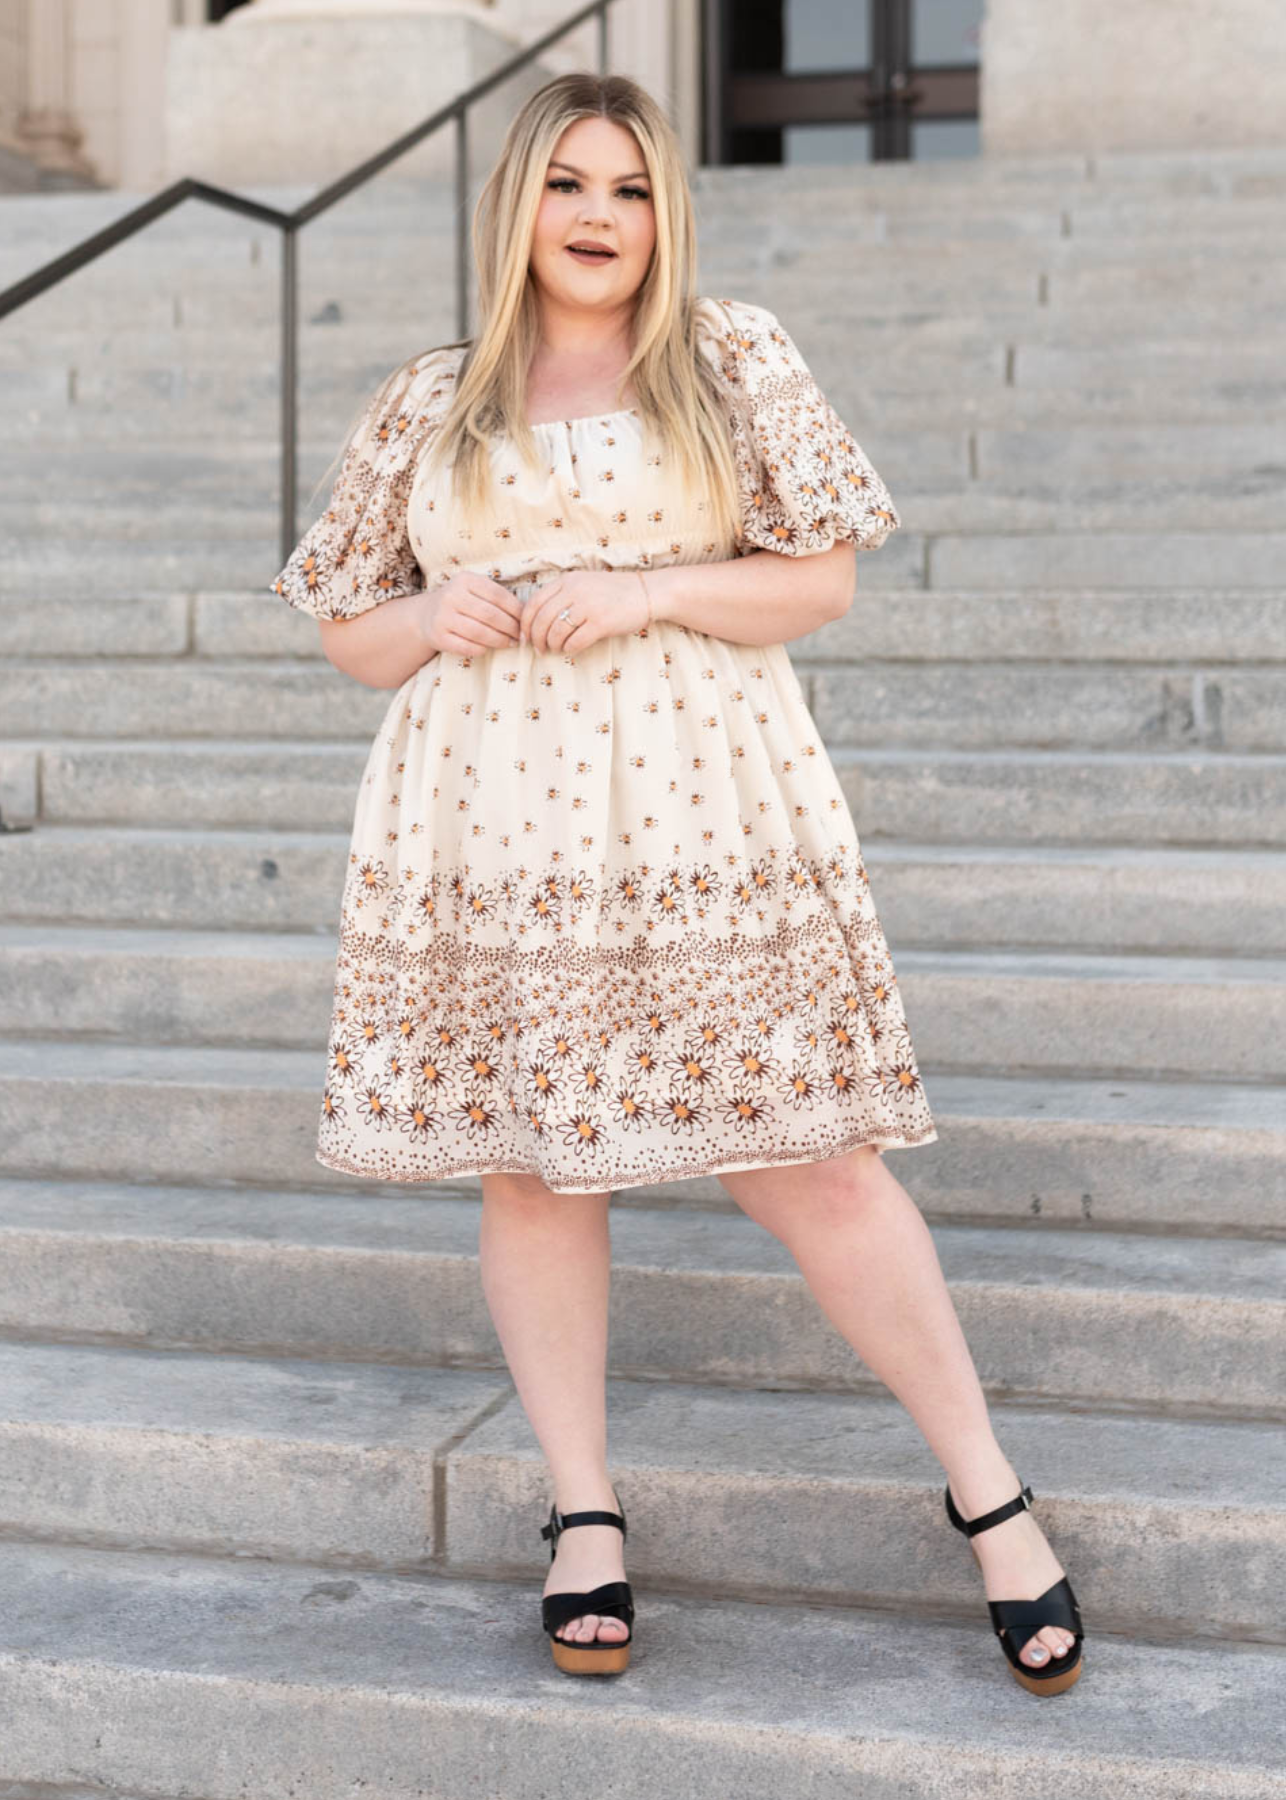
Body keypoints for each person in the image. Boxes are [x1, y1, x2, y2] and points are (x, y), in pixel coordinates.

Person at [270, 70, 1083, 1695]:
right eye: (567, 185)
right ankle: (582, 1512)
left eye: (629, 190)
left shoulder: (727, 358)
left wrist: (634, 592)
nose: (596, 217)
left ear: (663, 212)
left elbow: (822, 581)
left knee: (816, 1161)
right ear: (516, 206)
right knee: (536, 1167)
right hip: (496, 829)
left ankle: (987, 1492)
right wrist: (439, 617)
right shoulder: (427, 399)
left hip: (705, 806)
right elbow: (352, 633)